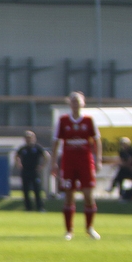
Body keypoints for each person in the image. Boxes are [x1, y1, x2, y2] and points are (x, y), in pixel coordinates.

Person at [50, 91, 102, 240]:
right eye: (73, 101)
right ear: (69, 104)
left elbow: (97, 140)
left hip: (85, 161)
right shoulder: (63, 120)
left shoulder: (89, 120)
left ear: (83, 103)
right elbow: (56, 142)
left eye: (78, 101)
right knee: (69, 195)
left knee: (88, 196)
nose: (75, 104)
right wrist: (54, 162)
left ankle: (89, 228)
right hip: (69, 162)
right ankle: (69, 230)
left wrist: (98, 160)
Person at [15, 130, 49, 212]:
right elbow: (16, 156)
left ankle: (40, 207)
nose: (28, 139)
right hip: (25, 171)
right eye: (27, 138)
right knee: (26, 190)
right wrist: (19, 164)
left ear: (34, 138)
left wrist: (42, 166)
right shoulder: (23, 149)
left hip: (34, 171)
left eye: (30, 138)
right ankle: (28, 208)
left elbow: (46, 156)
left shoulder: (37, 148)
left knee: (37, 189)